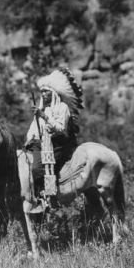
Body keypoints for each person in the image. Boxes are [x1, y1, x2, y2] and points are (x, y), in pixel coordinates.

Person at [24, 67, 83, 213]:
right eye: (42, 92)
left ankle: (46, 198)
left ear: (54, 93)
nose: (43, 94)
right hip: (41, 142)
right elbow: (34, 128)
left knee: (38, 168)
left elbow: (60, 128)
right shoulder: (42, 108)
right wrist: (30, 138)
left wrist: (44, 116)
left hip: (57, 143)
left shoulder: (62, 108)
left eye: (46, 92)